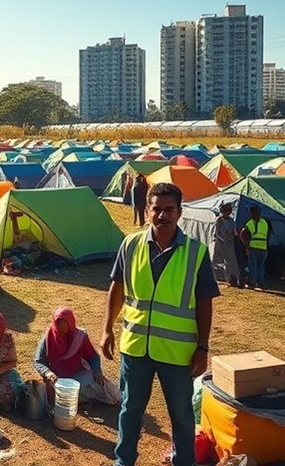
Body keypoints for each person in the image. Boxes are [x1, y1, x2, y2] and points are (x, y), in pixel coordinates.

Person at [100, 182, 220, 466]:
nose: (162, 215)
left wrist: (203, 347)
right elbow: (116, 289)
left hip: (178, 352)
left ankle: (184, 462)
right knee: (130, 410)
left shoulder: (196, 253)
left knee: (181, 414)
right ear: (147, 210)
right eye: (157, 209)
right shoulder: (130, 245)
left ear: (179, 213)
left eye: (169, 210)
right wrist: (107, 328)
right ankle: (124, 461)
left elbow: (205, 303)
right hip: (136, 347)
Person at [34, 307, 120, 406]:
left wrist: (97, 370)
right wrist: (48, 373)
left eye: (64, 321)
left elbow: (92, 356)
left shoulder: (79, 337)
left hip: (77, 374)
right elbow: (38, 362)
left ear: (70, 322)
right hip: (56, 378)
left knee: (90, 383)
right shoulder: (48, 338)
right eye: (58, 321)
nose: (60, 324)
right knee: (54, 393)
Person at [211, 202, 243, 287]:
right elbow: (216, 232)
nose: (227, 213)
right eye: (225, 211)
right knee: (216, 261)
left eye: (229, 211)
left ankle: (234, 279)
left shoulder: (231, 221)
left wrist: (234, 236)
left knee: (232, 262)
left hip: (229, 244)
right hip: (219, 244)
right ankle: (216, 278)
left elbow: (234, 232)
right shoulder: (218, 220)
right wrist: (222, 240)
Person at [240, 205, 270, 290]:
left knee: (253, 266)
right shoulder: (264, 222)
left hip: (253, 247)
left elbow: (244, 235)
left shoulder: (249, 223)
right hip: (263, 247)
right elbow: (267, 235)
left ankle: (252, 282)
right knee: (261, 266)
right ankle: (261, 283)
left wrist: (246, 247)